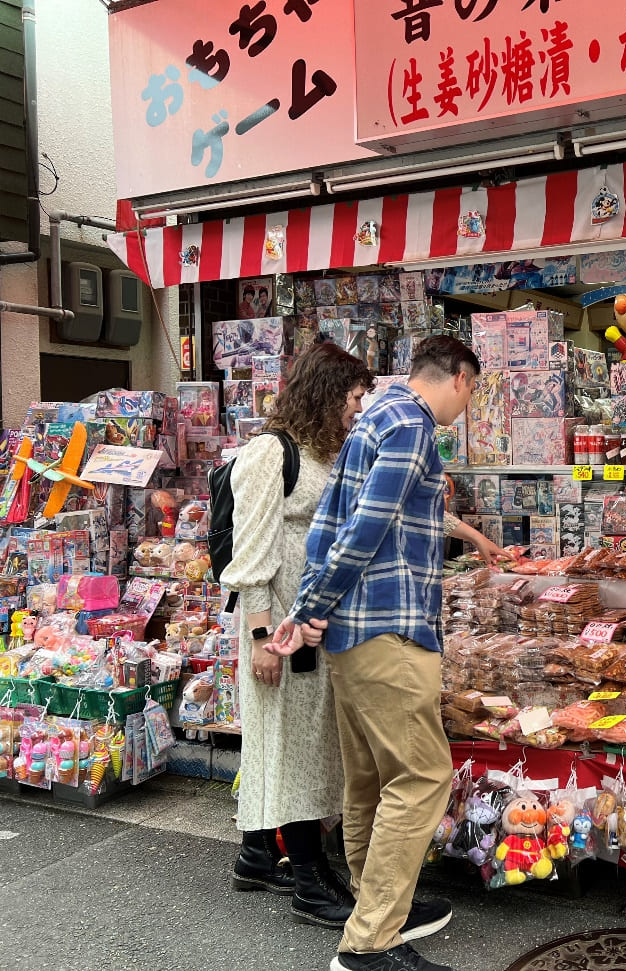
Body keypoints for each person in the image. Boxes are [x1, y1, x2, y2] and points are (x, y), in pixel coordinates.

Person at [268, 337, 505, 971]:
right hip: (389, 631)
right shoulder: (411, 425)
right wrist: (311, 607)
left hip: (354, 635)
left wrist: (312, 604)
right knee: (423, 777)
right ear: (457, 377)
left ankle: (378, 908)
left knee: (371, 778)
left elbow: (328, 527)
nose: (469, 402)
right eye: (473, 389)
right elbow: (366, 528)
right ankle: (370, 939)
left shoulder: (373, 418)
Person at [225, 341, 374, 926]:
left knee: (306, 746)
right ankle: (309, 882)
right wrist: (262, 636)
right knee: (289, 747)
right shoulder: (269, 453)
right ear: (327, 392)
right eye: (354, 396)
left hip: (310, 621)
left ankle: (259, 856)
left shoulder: (322, 449)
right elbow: (252, 550)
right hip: (278, 626)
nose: (358, 408)